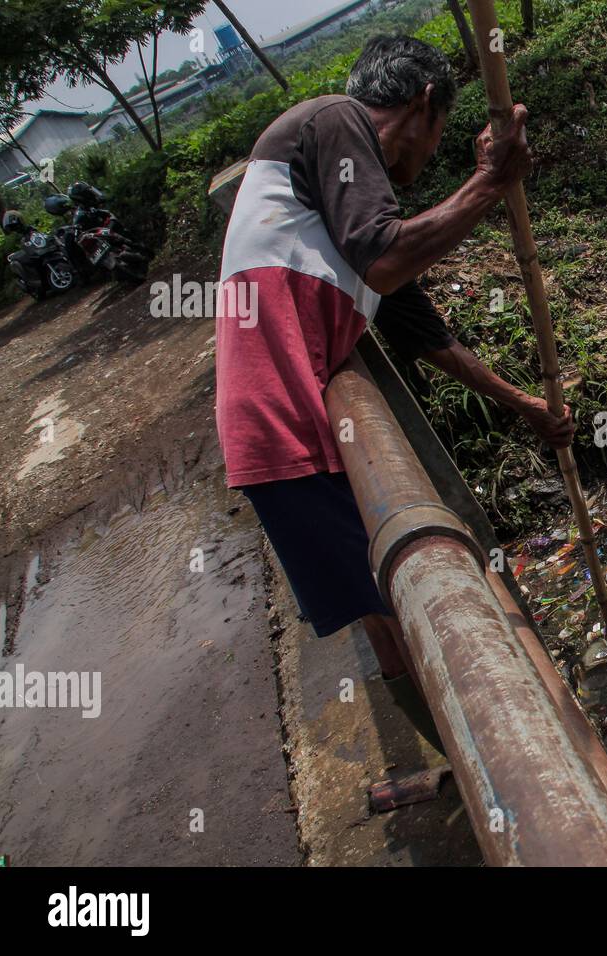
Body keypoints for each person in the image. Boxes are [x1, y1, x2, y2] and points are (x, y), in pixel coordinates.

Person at [214, 35, 574, 748]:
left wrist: (527, 406)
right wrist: (488, 184)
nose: (427, 161)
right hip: (285, 427)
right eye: (436, 138)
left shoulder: (341, 206)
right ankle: (497, 774)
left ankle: (474, 773)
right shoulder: (335, 120)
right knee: (400, 612)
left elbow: (421, 330)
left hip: (286, 424)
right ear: (422, 106)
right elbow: (385, 261)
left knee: (386, 610)